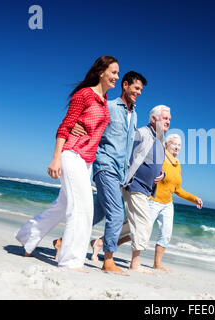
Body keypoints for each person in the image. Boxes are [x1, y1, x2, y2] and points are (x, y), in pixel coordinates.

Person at [15, 56, 119, 272]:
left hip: (86, 160)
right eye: (114, 72)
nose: (116, 77)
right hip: (71, 154)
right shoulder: (85, 95)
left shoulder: (104, 101)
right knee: (82, 209)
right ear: (101, 72)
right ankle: (71, 260)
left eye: (118, 73)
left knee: (62, 206)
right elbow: (65, 126)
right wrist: (56, 158)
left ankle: (28, 238)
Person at [53, 71, 147, 276]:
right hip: (105, 166)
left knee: (99, 211)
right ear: (125, 85)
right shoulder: (110, 107)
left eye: (141, 90)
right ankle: (108, 260)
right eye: (136, 88)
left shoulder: (135, 115)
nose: (138, 92)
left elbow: (128, 146)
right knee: (117, 213)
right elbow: (90, 120)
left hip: (119, 172)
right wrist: (75, 127)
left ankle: (61, 242)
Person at [118, 105, 171, 273]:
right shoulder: (141, 133)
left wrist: (161, 174)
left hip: (147, 188)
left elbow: (155, 164)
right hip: (134, 184)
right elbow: (127, 156)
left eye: (169, 119)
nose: (168, 121)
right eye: (165, 118)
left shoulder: (160, 139)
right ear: (153, 119)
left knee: (131, 224)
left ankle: (99, 242)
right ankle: (135, 263)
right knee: (145, 223)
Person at [148, 134, 203, 271]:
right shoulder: (160, 157)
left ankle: (157, 264)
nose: (177, 147)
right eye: (175, 144)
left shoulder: (177, 165)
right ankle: (103, 243)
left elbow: (177, 189)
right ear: (167, 144)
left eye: (179, 145)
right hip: (152, 201)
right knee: (140, 231)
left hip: (167, 204)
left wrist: (193, 198)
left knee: (166, 233)